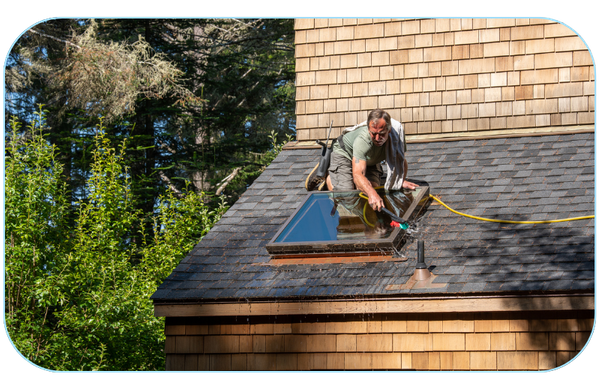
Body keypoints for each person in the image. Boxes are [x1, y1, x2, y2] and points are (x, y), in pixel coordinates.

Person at [325, 109, 418, 212]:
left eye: (382, 134)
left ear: (389, 130)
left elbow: (401, 161)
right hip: (344, 153)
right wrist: (371, 194)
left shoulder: (396, 137)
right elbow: (358, 175)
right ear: (368, 129)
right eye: (373, 134)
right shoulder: (363, 140)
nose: (377, 138)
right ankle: (330, 178)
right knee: (349, 197)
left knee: (374, 189)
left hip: (370, 158)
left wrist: (399, 180)